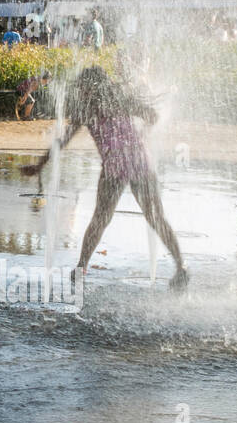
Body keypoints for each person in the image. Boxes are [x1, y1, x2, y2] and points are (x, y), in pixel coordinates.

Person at [21, 67, 189, 291]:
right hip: (140, 161)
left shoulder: (87, 110)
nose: (79, 91)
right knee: (156, 216)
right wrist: (142, 135)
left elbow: (63, 141)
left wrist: (39, 165)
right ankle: (181, 267)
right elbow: (152, 115)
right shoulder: (122, 101)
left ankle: (81, 267)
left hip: (115, 167)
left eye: (82, 87)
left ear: (91, 88)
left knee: (101, 218)